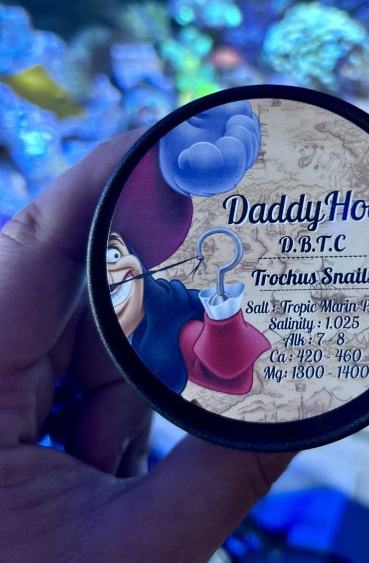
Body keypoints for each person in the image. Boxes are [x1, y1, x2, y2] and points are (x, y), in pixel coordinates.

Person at [0, 130, 293, 563]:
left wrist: (224, 314)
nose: (116, 266)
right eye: (109, 254)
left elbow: (231, 374)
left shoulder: (174, 314)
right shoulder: (138, 330)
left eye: (120, 253)